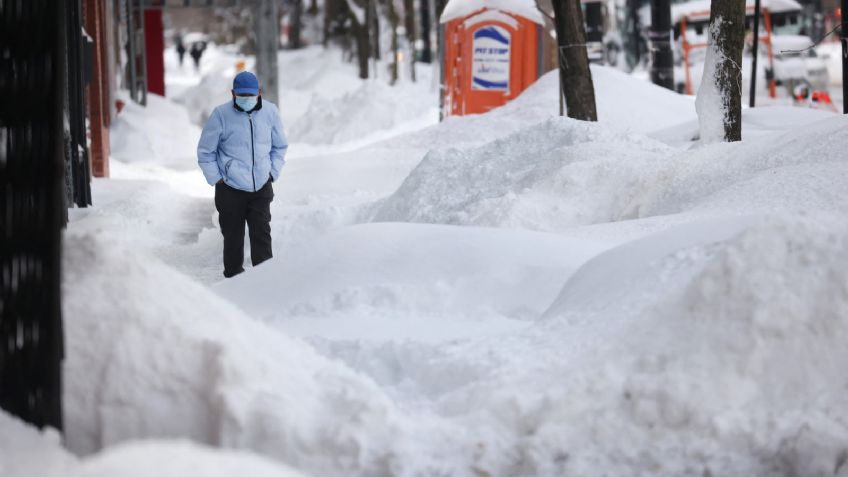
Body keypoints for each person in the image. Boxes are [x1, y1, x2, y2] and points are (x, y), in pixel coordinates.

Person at [197, 71, 288, 278]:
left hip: (261, 187)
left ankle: (264, 282)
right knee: (233, 239)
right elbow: (205, 151)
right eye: (242, 96)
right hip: (230, 189)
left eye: (250, 95)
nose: (246, 99)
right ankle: (233, 282)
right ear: (233, 94)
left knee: (262, 236)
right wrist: (217, 178)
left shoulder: (270, 112)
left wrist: (272, 173)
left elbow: (280, 146)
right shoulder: (221, 115)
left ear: (259, 92)